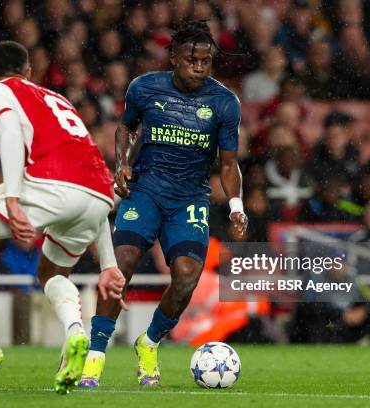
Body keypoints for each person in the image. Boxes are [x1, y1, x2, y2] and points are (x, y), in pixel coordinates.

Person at [0, 41, 125, 394]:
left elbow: (8, 131)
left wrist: (11, 198)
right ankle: (74, 331)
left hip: (47, 185)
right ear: (29, 73)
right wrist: (108, 265)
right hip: (101, 195)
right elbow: (89, 179)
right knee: (51, 272)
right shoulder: (58, 100)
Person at [79, 21, 248, 388]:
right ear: (173, 57)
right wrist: (123, 161)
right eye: (191, 60)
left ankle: (149, 342)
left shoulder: (223, 102)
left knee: (187, 277)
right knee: (121, 266)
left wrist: (236, 204)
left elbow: (229, 162)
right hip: (146, 191)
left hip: (189, 198)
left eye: (206, 61)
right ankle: (95, 356)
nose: (199, 67)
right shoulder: (144, 87)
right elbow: (125, 127)